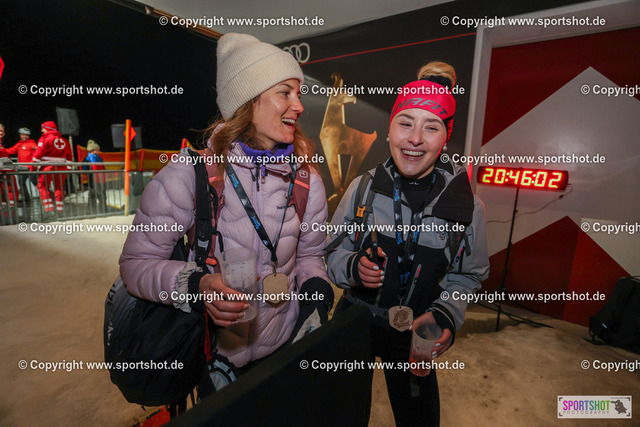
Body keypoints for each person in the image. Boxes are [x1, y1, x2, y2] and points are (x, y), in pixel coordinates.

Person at [119, 33, 333, 396]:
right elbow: (135, 265)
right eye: (285, 92)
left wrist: (317, 294)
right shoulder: (189, 175)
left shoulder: (306, 179)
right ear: (248, 101)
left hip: (285, 350)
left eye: (298, 94)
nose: (298, 106)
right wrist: (198, 286)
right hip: (214, 359)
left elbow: (311, 256)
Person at [325, 61, 490, 427]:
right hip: (355, 322)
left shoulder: (466, 207)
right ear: (389, 130)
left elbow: (469, 275)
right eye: (405, 123)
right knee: (341, 414)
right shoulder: (363, 189)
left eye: (431, 127)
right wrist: (353, 267)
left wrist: (444, 314)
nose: (415, 139)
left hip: (416, 329)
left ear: (445, 137)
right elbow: (332, 250)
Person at [32, 121, 72, 216]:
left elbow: (38, 154)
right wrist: (68, 169)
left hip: (47, 167)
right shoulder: (65, 141)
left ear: (47, 128)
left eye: (43, 128)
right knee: (59, 188)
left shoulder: (44, 139)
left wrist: (33, 167)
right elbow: (70, 156)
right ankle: (60, 210)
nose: (42, 130)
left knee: (43, 187)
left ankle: (49, 210)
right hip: (61, 168)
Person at [5, 127, 38, 202]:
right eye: (23, 135)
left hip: (31, 167)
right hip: (22, 167)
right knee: (21, 182)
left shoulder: (31, 143)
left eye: (26, 135)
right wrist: (2, 150)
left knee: (35, 182)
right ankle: (25, 197)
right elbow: (11, 151)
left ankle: (47, 194)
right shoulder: (19, 144)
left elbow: (37, 150)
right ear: (20, 135)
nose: (25, 136)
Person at [82, 139, 107, 212]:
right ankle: (92, 211)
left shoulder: (100, 159)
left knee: (103, 196)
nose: (98, 151)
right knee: (93, 197)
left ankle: (103, 211)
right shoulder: (87, 159)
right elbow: (84, 169)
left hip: (101, 181)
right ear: (92, 150)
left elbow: (104, 169)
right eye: (97, 149)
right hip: (93, 181)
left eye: (98, 149)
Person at [0, 123, 20, 212]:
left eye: (2, 131)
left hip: (6, 171)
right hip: (4, 172)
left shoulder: (1, 143)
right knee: (10, 191)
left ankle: (8, 211)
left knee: (9, 192)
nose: (1, 133)